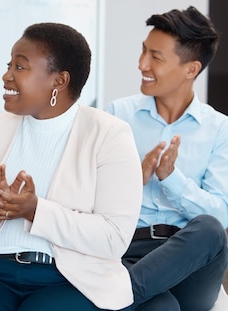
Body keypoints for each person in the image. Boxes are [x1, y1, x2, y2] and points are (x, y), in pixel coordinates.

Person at [0, 22, 143, 311]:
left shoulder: (109, 134)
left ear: (59, 81)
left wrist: (34, 210)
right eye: (10, 65)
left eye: (20, 67)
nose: (6, 76)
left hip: (71, 279)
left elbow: (113, 238)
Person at [105, 6, 228, 310]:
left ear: (191, 69)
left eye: (155, 57)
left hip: (191, 261)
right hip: (129, 250)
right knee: (163, 308)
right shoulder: (116, 116)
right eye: (143, 52)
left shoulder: (220, 129)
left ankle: (114, 296)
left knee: (210, 229)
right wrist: (136, 178)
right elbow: (90, 196)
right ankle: (128, 294)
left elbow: (220, 215)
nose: (142, 64)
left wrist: (171, 178)